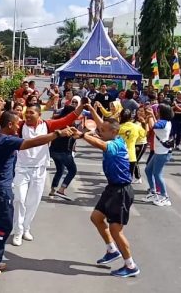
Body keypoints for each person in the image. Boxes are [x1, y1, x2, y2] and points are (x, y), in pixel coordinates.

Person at [0, 97, 74, 276]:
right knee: (3, 225)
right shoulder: (7, 140)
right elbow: (32, 143)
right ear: (11, 125)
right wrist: (58, 134)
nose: (20, 123)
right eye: (17, 122)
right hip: (0, 189)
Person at [11, 98, 87, 246]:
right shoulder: (20, 126)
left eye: (31, 113)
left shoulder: (48, 125)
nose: (27, 115)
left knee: (33, 201)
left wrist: (82, 106)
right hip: (22, 168)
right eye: (27, 113)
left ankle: (26, 228)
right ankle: (18, 231)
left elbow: (69, 118)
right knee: (19, 199)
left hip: (39, 169)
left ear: (39, 115)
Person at [72, 118, 139, 278]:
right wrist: (92, 110)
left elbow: (102, 144)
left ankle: (130, 266)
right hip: (112, 188)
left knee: (116, 230)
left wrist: (83, 136)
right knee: (96, 217)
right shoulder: (115, 137)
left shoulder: (115, 145)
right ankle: (112, 250)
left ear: (114, 132)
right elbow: (103, 134)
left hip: (121, 191)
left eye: (103, 130)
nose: (99, 131)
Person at [143, 104, 173, 206]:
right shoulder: (165, 121)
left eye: (158, 110)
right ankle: (153, 192)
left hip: (162, 153)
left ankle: (165, 197)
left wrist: (150, 115)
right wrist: (152, 115)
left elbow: (153, 126)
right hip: (158, 152)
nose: (157, 111)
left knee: (157, 174)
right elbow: (157, 124)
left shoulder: (163, 123)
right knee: (148, 170)